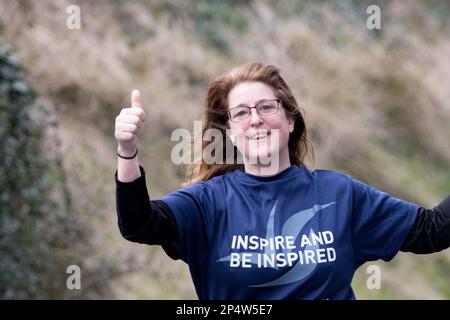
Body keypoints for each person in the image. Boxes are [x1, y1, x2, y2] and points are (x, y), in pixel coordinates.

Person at [114, 62, 450, 299]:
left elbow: (434, 230)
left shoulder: (340, 194)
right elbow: (138, 225)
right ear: (229, 132)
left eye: (266, 107)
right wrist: (127, 152)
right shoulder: (207, 203)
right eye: (242, 113)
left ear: (290, 120)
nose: (256, 119)